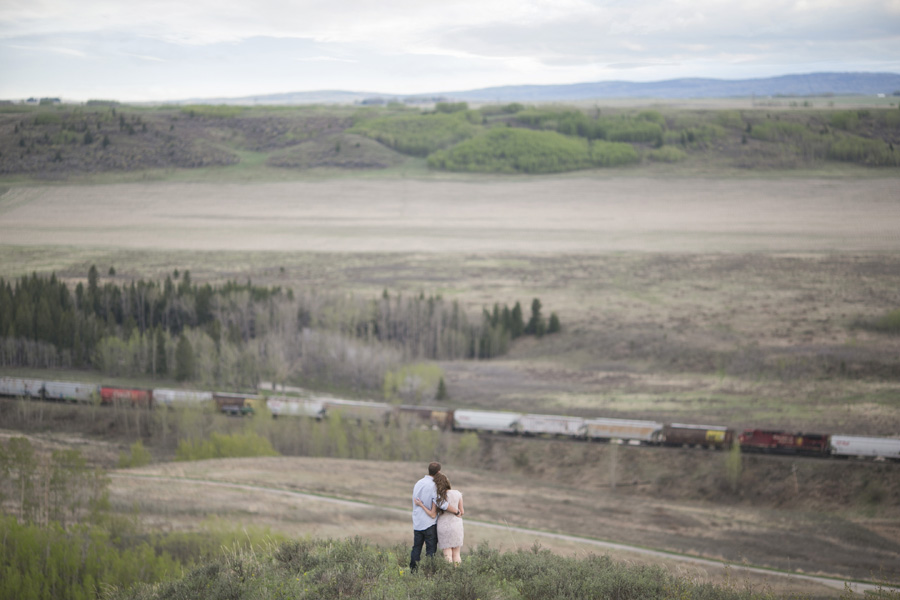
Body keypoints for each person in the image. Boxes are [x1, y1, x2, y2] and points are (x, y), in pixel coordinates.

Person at [410, 462, 455, 570]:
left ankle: (413, 571)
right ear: (438, 472)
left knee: (416, 548)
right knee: (430, 550)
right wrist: (456, 511)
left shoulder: (418, 483)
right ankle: (428, 571)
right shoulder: (434, 485)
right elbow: (441, 503)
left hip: (417, 522)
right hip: (429, 523)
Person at [414, 471, 464, 565]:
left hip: (443, 525)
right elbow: (462, 512)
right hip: (456, 525)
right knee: (457, 554)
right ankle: (457, 573)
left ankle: (448, 573)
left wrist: (421, 505)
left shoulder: (439, 497)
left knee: (447, 555)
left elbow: (432, 514)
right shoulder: (457, 493)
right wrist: (456, 512)